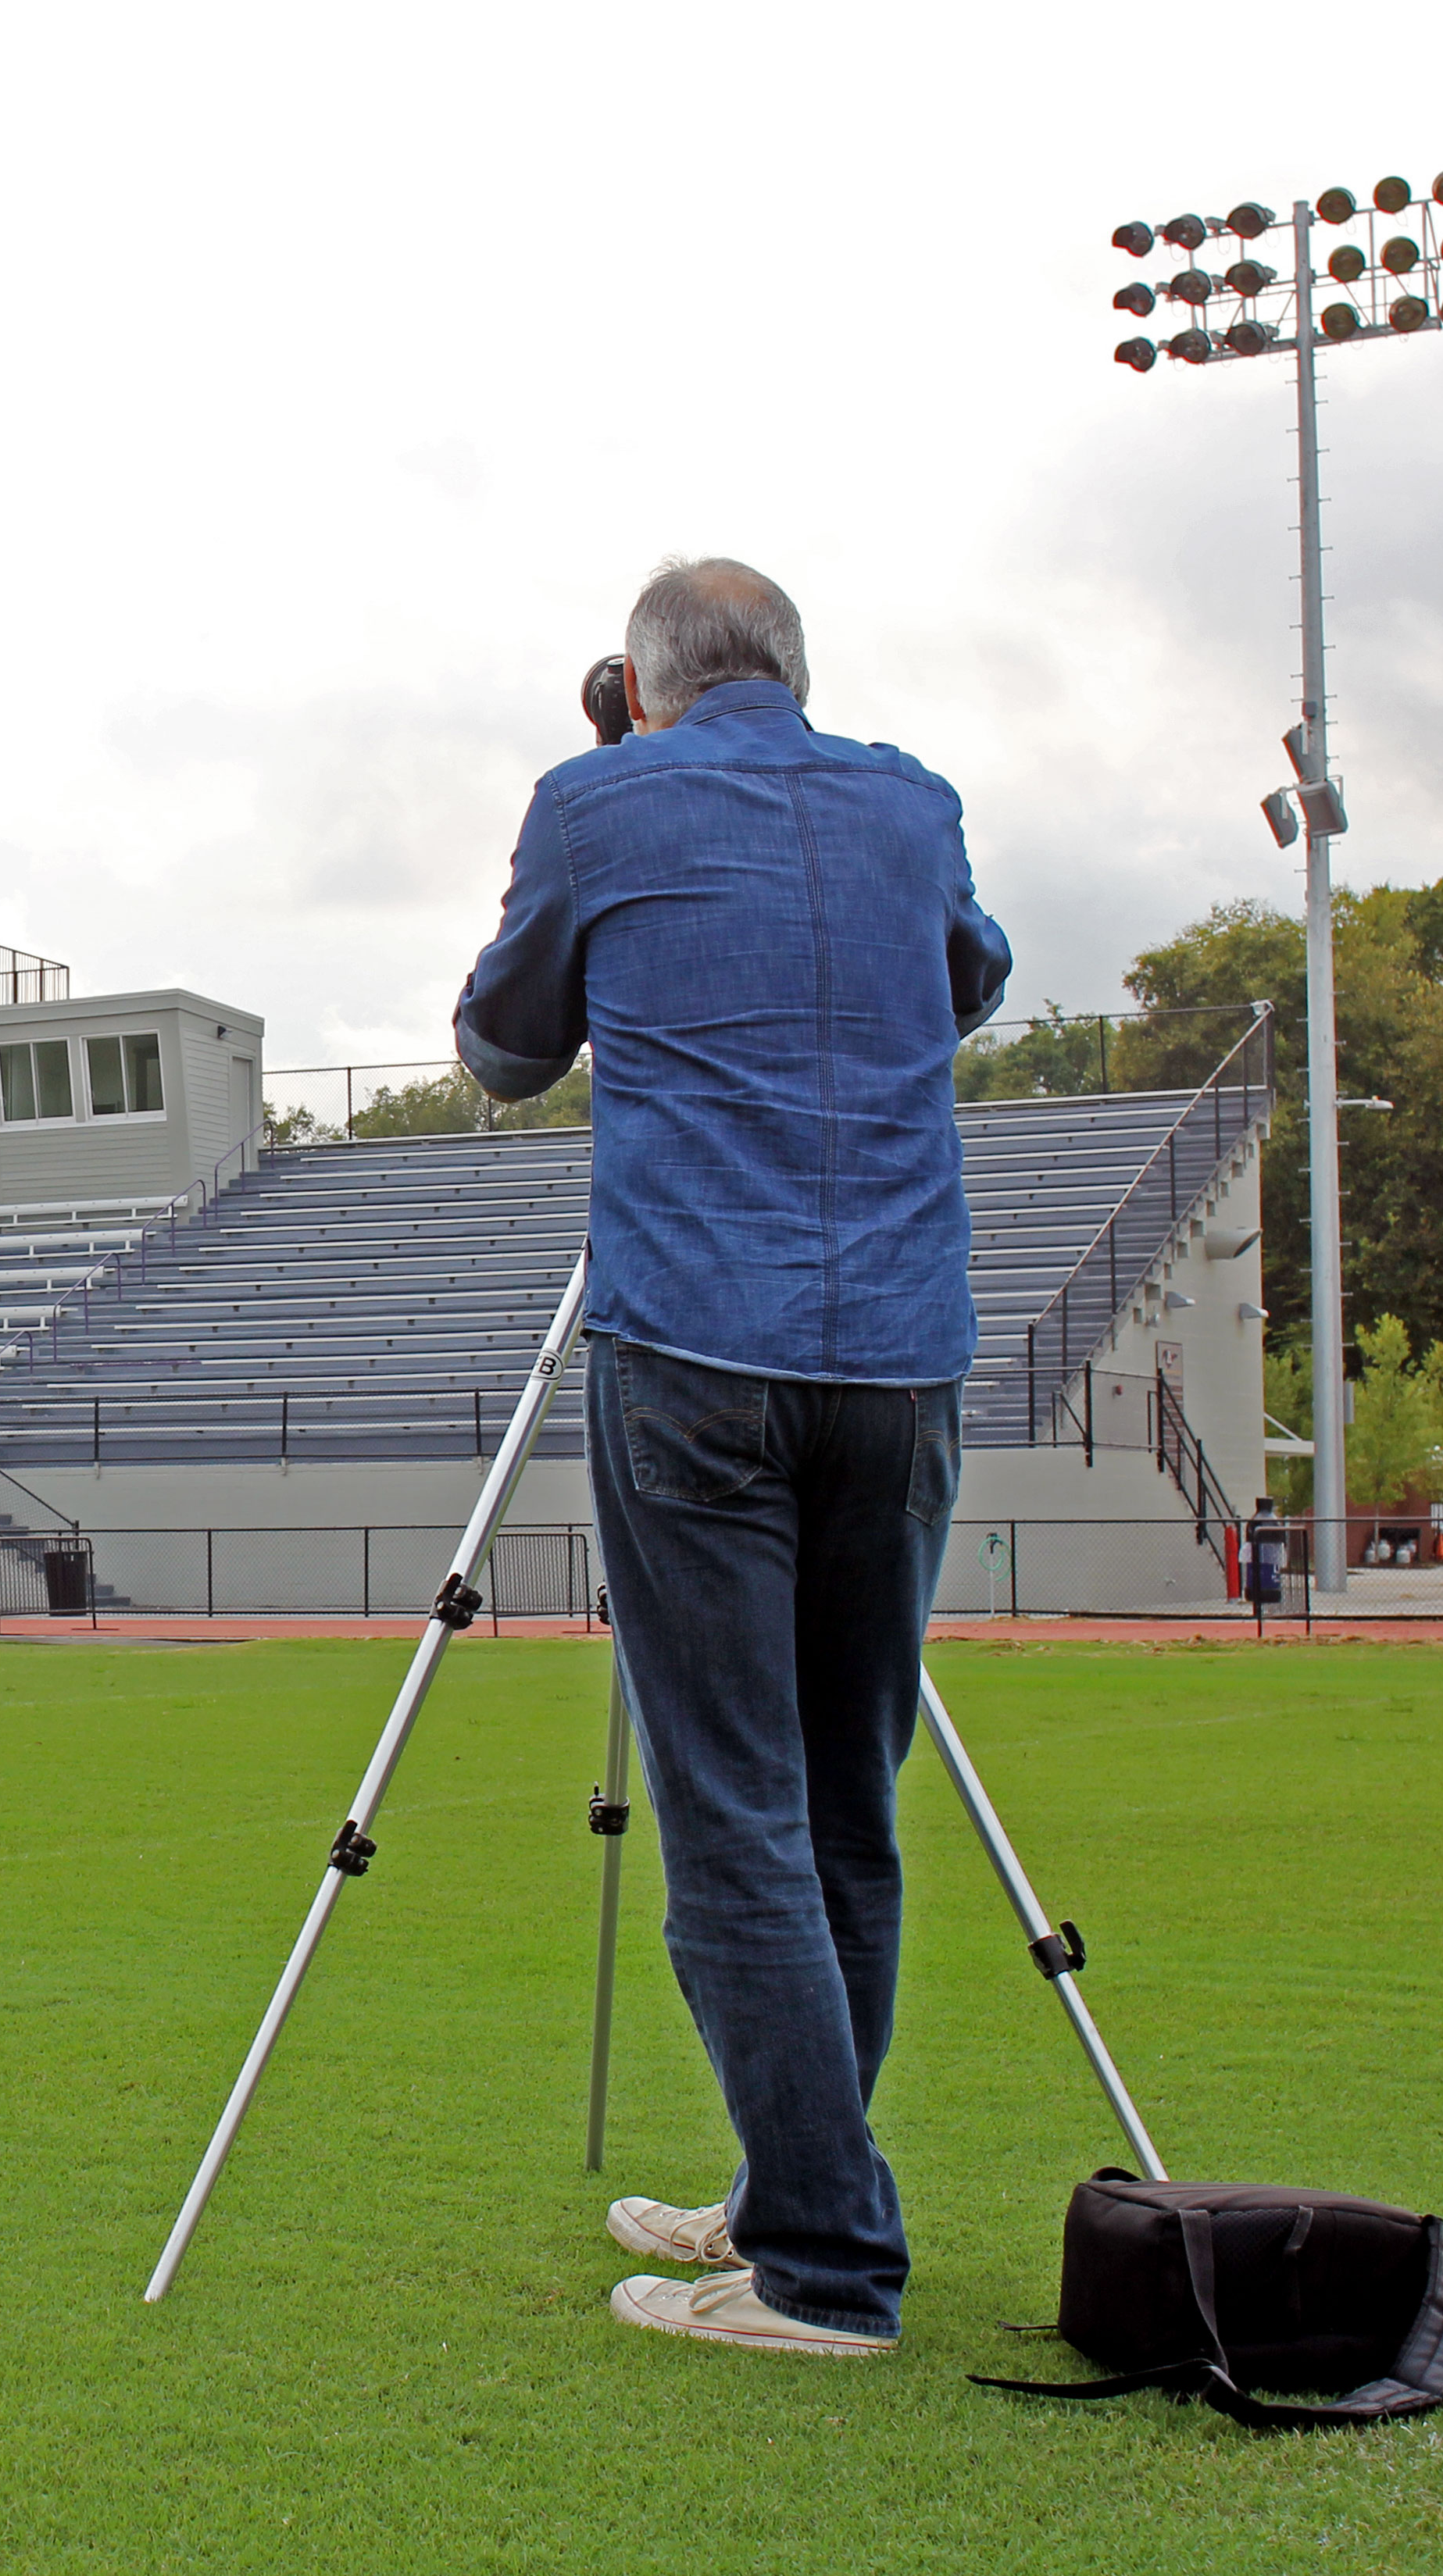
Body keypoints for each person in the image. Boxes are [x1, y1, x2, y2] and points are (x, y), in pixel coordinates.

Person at [455, 558, 1009, 2358]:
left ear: (638, 682)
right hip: (902, 1355)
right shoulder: (908, 799)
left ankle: (827, 2267)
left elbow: (503, 1047)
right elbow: (969, 978)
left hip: (697, 1341)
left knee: (735, 1814)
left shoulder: (595, 800)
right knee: (848, 1797)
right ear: (789, 666)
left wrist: (610, 790)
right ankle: (798, 2188)